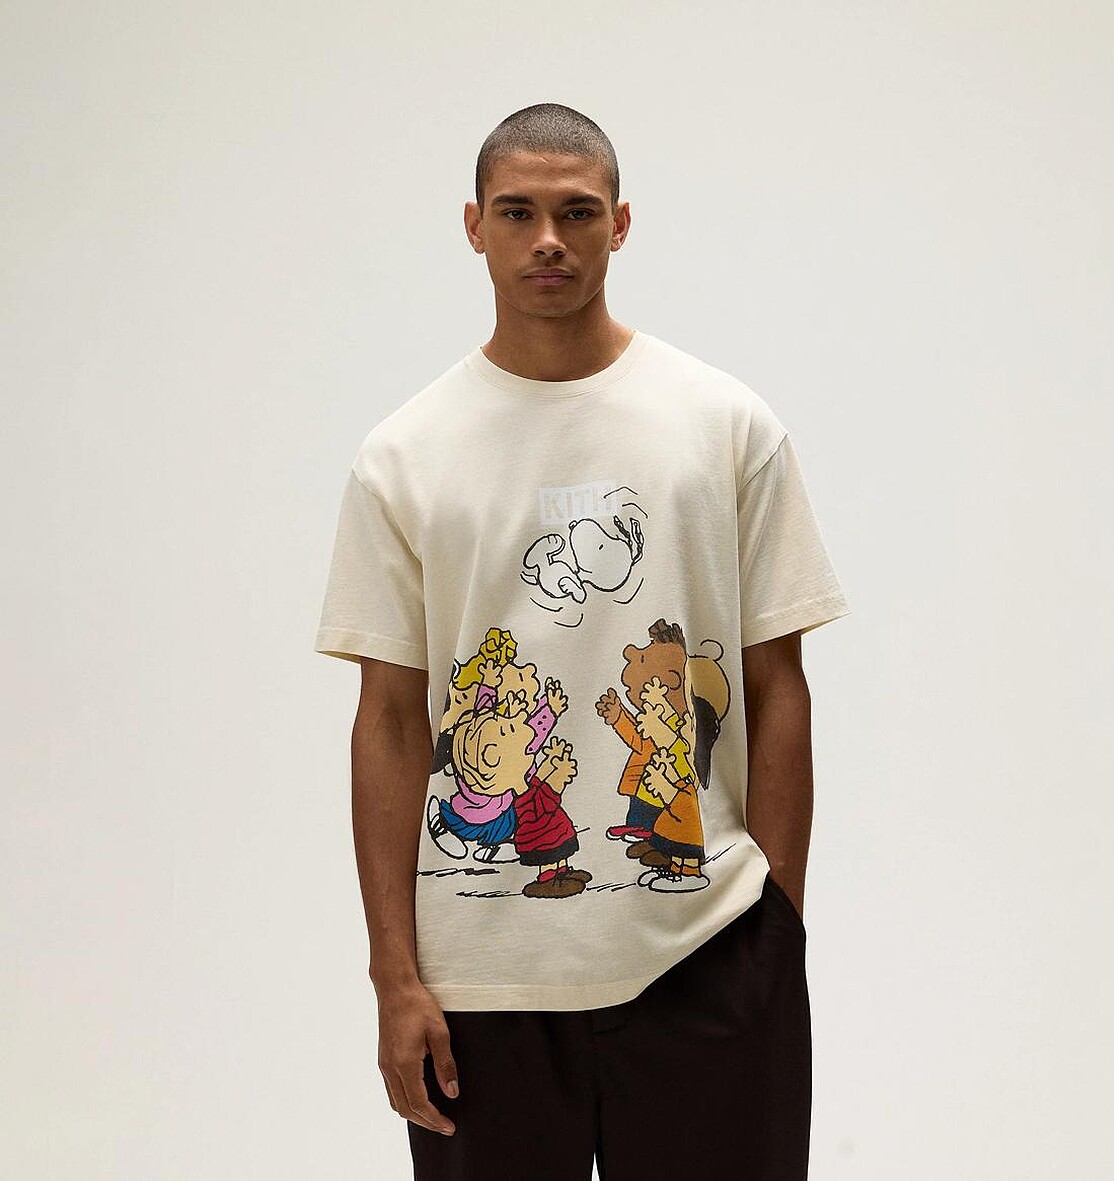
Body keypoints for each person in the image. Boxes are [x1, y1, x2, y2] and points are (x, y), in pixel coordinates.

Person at [313, 102, 851, 1180]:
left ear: (622, 223)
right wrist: (394, 975)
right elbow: (390, 720)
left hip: (708, 955)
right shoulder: (405, 455)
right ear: (474, 225)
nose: (548, 239)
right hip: (480, 983)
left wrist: (776, 923)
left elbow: (775, 684)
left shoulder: (725, 425)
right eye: (518, 212)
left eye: (578, 212)